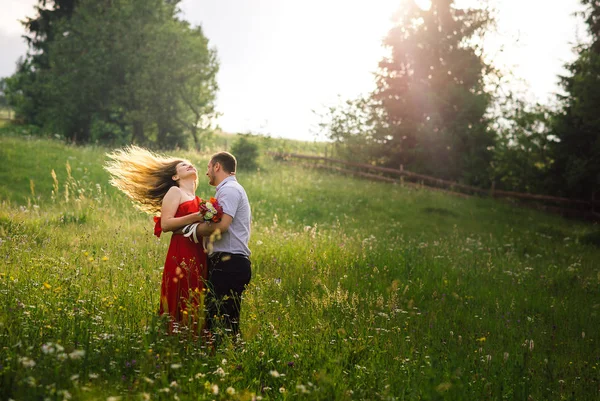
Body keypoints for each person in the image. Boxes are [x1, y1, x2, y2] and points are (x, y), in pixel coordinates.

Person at [104, 146, 208, 334]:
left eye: (190, 164)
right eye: (183, 165)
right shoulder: (175, 193)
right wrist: (196, 217)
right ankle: (173, 337)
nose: (190, 165)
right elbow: (167, 224)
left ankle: (194, 339)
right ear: (175, 177)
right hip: (181, 251)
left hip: (198, 252)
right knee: (181, 293)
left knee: (197, 294)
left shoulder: (198, 199)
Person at [193, 151, 251, 344]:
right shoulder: (227, 190)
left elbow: (223, 226)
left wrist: (191, 230)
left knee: (217, 321)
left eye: (209, 167)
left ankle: (217, 360)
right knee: (226, 322)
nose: (207, 172)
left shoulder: (230, 190)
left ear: (217, 166)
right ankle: (226, 359)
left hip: (230, 263)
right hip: (228, 262)